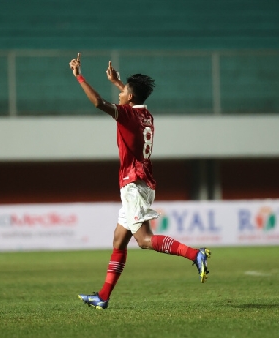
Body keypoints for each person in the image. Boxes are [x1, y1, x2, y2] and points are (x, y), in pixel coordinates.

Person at [69, 53, 211, 310]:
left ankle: (195, 254)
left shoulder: (126, 115)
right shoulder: (146, 116)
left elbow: (99, 103)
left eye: (123, 94)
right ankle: (103, 296)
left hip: (134, 184)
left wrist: (79, 75)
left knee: (144, 240)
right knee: (118, 240)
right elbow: (129, 97)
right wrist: (119, 83)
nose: (120, 97)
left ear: (130, 99)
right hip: (140, 182)